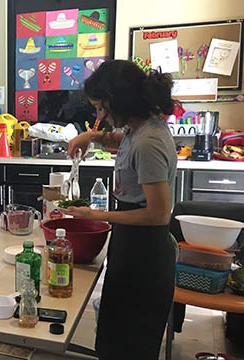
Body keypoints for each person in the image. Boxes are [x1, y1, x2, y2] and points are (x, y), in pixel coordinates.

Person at [63, 60, 177, 359]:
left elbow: (158, 214)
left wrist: (96, 215)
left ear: (119, 101)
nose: (99, 115)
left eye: (101, 107)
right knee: (114, 339)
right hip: (133, 247)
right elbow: (120, 140)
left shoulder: (149, 142)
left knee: (129, 346)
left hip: (145, 255)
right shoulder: (139, 129)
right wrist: (89, 136)